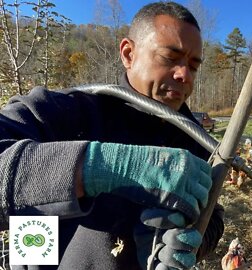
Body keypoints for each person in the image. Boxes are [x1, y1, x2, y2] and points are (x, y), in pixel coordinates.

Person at [0, 1, 224, 269]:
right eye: (170, 57)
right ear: (128, 54)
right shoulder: (67, 110)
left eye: (194, 65)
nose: (184, 74)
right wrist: (105, 167)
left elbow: (213, 216)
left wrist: (189, 242)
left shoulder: (194, 140)